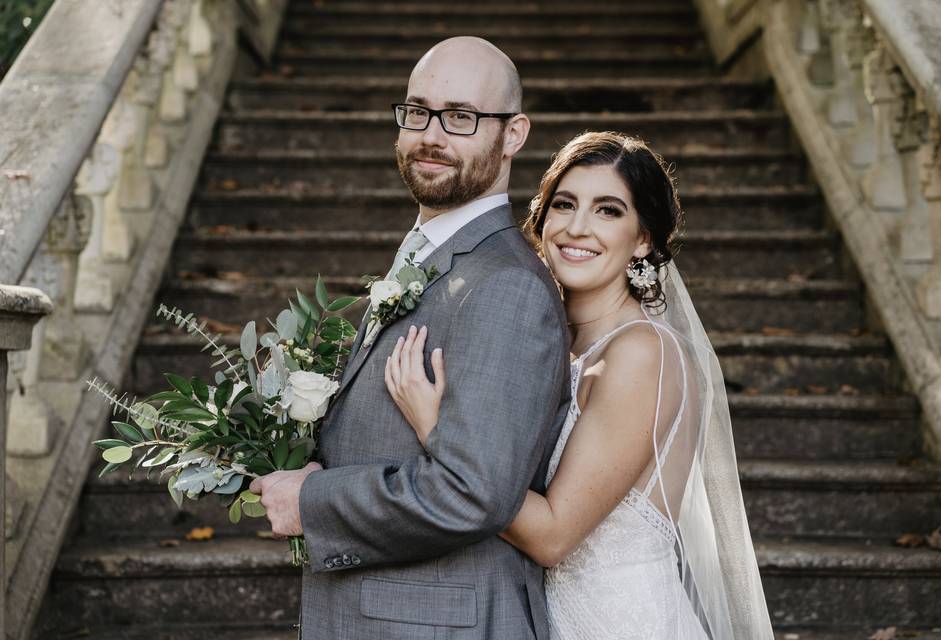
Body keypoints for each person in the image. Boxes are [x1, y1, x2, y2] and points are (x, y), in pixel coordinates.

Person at [385, 132, 775, 640]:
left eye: (608, 211)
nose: (577, 227)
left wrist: (439, 429)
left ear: (644, 239)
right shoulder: (551, 344)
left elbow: (552, 537)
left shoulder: (641, 353)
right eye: (564, 204)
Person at [249, 37, 570, 639]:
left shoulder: (507, 288)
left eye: (461, 117)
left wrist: (313, 502)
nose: (431, 134)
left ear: (515, 134)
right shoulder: (432, 255)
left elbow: (474, 495)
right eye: (417, 111)